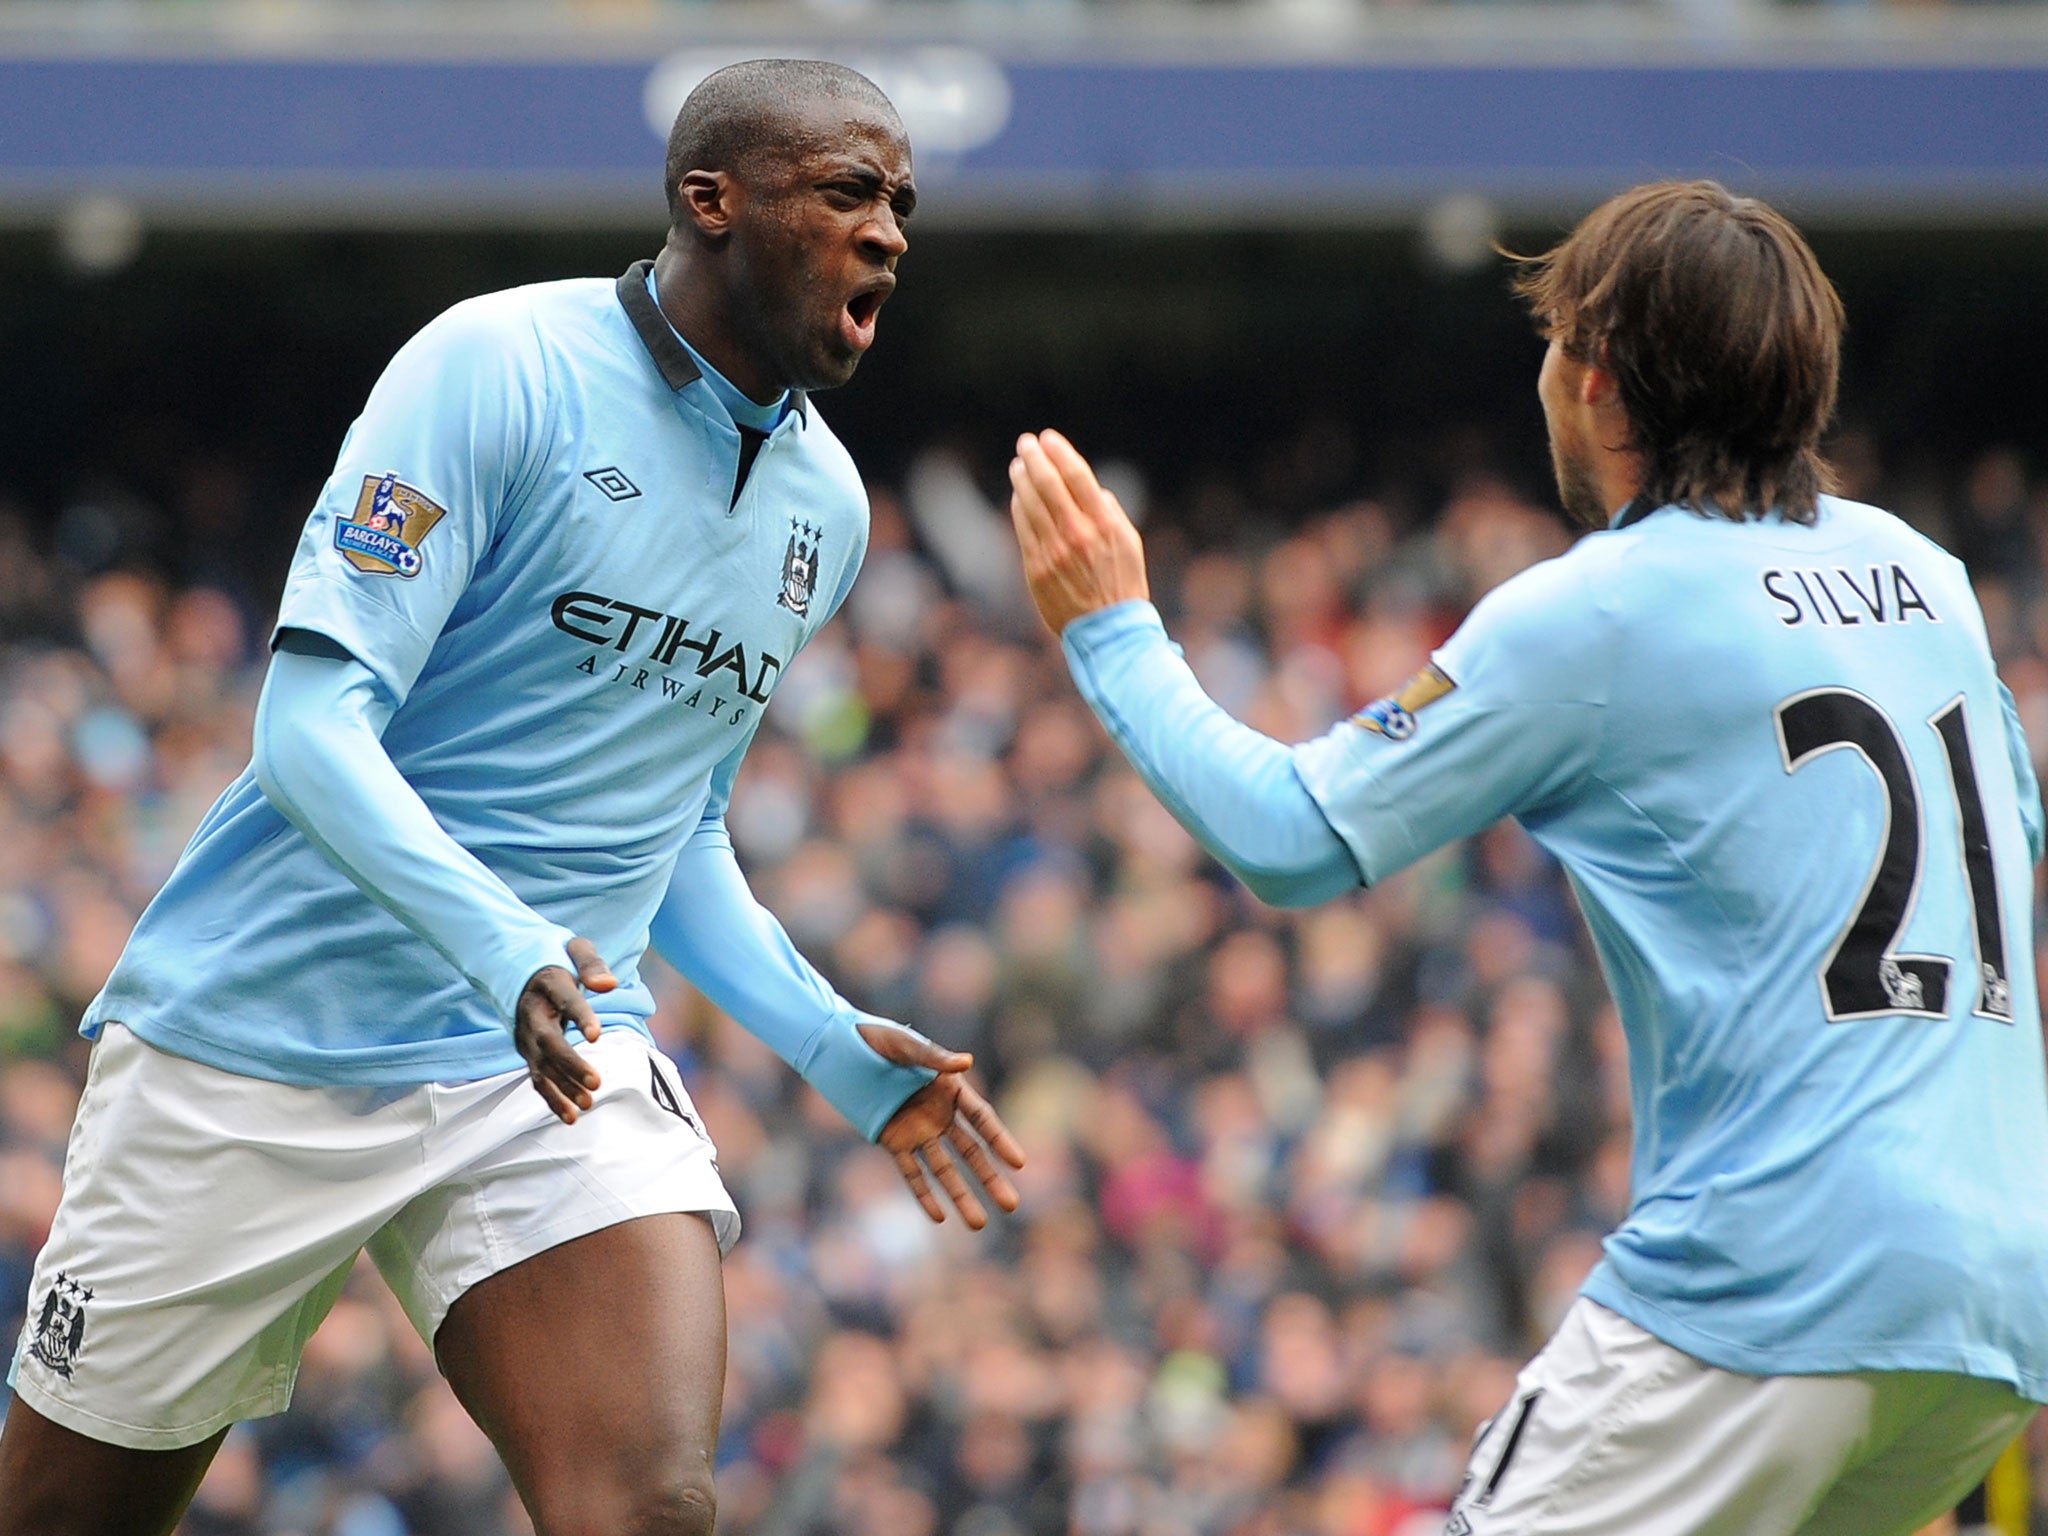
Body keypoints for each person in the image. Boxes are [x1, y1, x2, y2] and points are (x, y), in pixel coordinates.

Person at [0, 58, 1022, 1536]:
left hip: (537, 1063)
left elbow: (677, 827)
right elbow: (306, 730)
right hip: (259, 1046)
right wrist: (505, 945)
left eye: (904, 204)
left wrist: (829, 1044)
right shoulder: (497, 366)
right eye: (850, 192)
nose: (892, 233)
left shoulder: (830, 508)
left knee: (651, 1503)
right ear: (710, 201)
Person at [1005, 181, 2048, 1535]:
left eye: (1556, 341)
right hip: (1996, 1311)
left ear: (1600, 383)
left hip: (1769, 1283)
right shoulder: (1928, 579)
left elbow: (1291, 836)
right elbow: (2009, 848)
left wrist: (1111, 631)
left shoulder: (1603, 607)